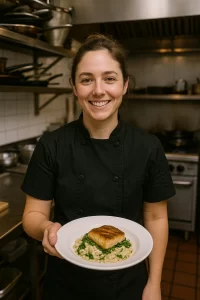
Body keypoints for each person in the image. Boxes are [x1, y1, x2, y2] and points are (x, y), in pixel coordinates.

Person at [21, 33, 175, 300]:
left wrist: (154, 283)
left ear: (125, 85)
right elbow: (33, 214)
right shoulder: (52, 145)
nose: (98, 90)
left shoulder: (148, 147)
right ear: (74, 87)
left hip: (127, 283)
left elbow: (156, 217)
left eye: (110, 78)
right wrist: (45, 228)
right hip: (66, 281)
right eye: (86, 79)